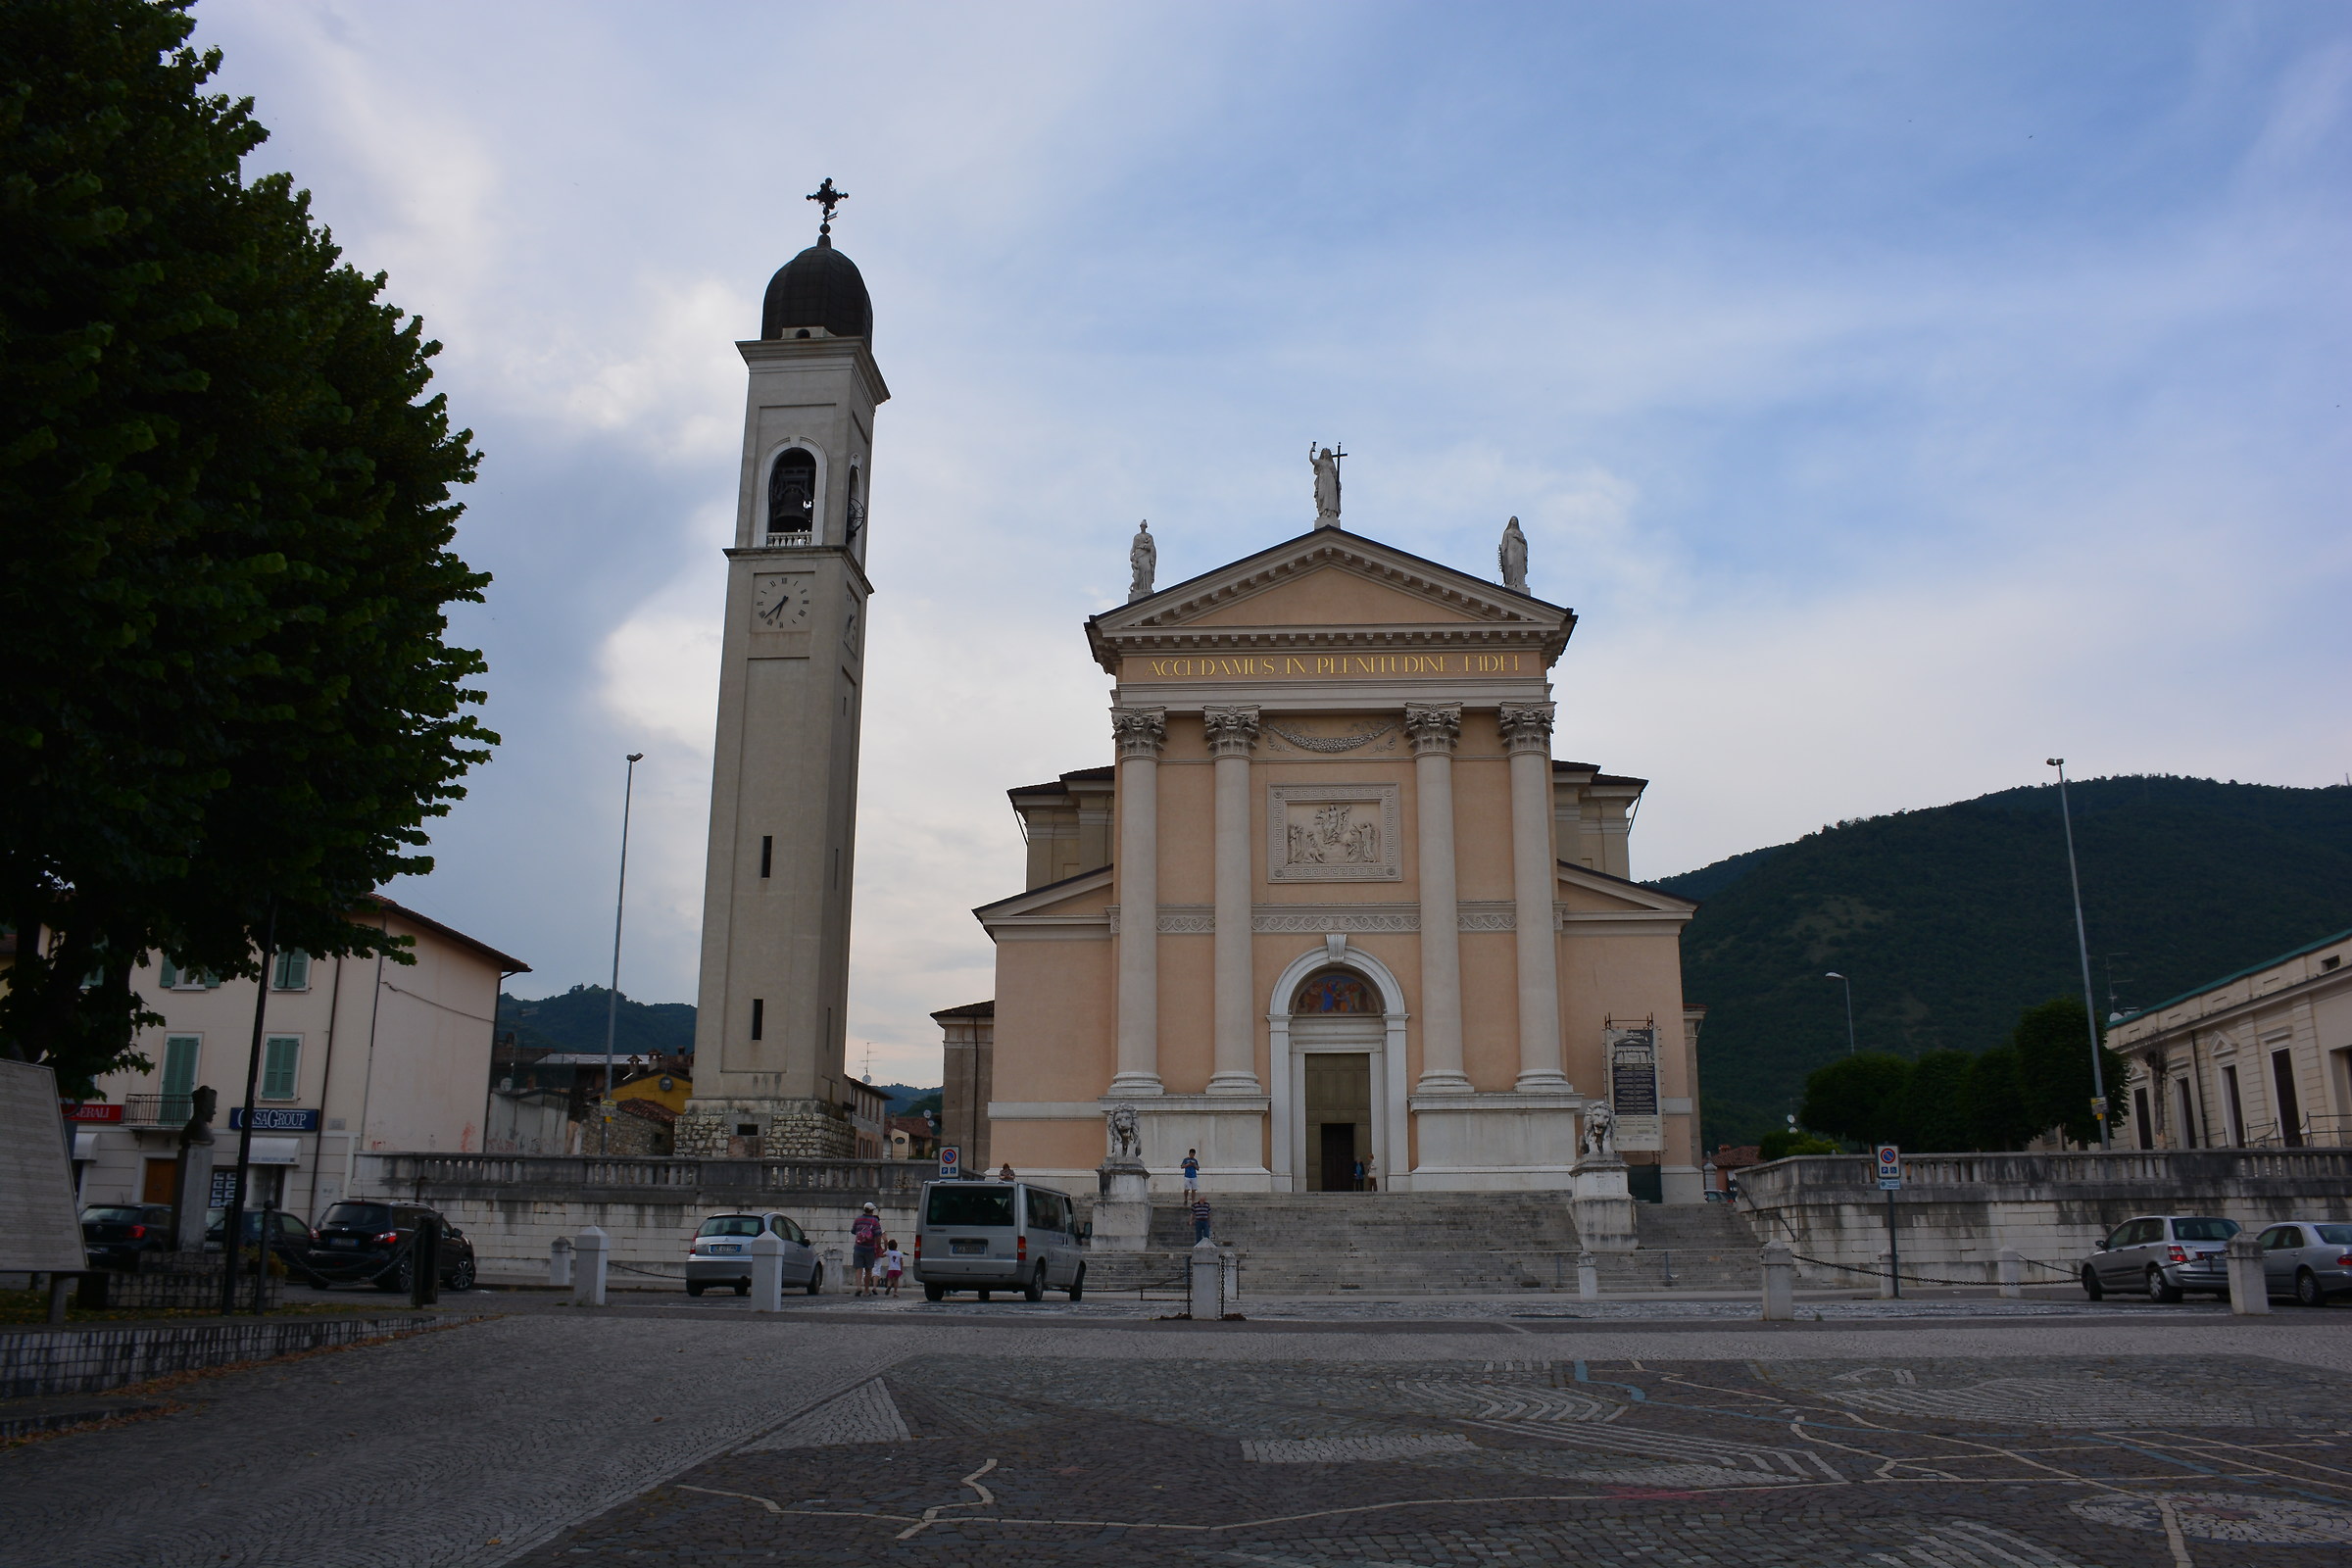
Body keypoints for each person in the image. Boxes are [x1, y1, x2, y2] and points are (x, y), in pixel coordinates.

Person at [851, 1201, 882, 1297]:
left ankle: (858, 1287)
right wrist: (878, 1246)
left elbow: (853, 1231)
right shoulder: (875, 1221)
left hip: (858, 1247)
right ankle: (866, 1290)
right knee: (869, 1269)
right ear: (872, 1210)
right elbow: (878, 1235)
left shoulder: (858, 1219)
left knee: (858, 1268)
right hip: (870, 1248)